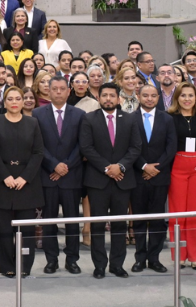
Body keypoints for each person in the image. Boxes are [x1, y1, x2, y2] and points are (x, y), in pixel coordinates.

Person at [79, 83, 142, 279]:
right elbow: (86, 147)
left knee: (119, 225)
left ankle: (117, 265)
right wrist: (107, 168)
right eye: (104, 95)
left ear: (118, 98)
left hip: (123, 179)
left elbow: (135, 147)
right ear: (98, 98)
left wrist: (120, 167)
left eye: (112, 95)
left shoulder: (130, 119)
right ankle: (99, 265)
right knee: (97, 225)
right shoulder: (89, 118)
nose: (108, 99)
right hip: (98, 180)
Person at [0, 87, 43, 278]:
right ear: (4, 102)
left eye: (18, 98)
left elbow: (38, 153)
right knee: (2, 228)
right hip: (1, 181)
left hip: (27, 183)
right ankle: (6, 266)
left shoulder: (33, 123)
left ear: (23, 101)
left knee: (26, 229)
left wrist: (24, 177)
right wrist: (5, 176)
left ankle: (24, 265)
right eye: (10, 99)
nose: (14, 102)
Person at [128, 84, 175, 273]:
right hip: (137, 176)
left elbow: (171, 148)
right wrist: (143, 166)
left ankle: (154, 258)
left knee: (157, 220)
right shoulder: (130, 119)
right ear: (138, 96)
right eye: (145, 95)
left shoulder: (167, 119)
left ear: (158, 98)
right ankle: (140, 258)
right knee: (139, 219)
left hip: (159, 176)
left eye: (153, 95)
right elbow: (128, 147)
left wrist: (156, 168)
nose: (149, 99)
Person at [166, 81, 196, 269]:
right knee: (177, 212)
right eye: (183, 95)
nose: (187, 99)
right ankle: (179, 255)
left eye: (191, 95)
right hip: (177, 167)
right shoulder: (169, 117)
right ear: (177, 98)